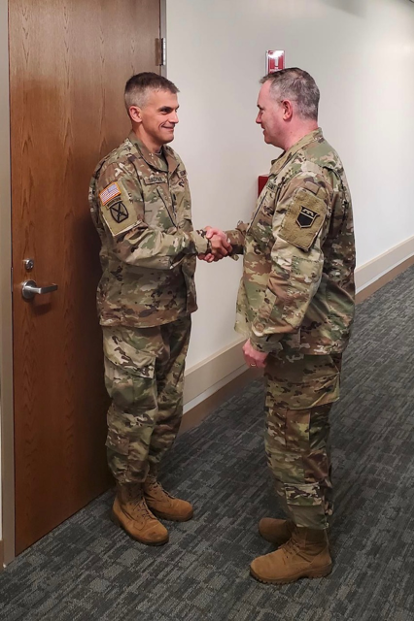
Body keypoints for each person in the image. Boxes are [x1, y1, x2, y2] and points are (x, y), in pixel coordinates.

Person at [205, 68, 355, 583]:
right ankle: (301, 522)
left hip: (305, 339)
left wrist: (262, 337)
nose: (256, 116)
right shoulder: (300, 164)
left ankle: (311, 547)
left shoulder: (309, 173)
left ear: (287, 110)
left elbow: (295, 273)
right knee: (295, 435)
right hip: (304, 335)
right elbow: (275, 236)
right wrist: (231, 238)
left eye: (261, 107)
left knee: (297, 442)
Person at [89, 72, 230, 546]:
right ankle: (126, 498)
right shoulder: (116, 172)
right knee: (134, 410)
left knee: (168, 407)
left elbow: (175, 233)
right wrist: (194, 242)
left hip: (173, 308)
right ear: (137, 113)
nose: (174, 118)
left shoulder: (173, 163)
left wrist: (199, 246)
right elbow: (131, 244)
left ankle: (149, 481)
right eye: (164, 110)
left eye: (176, 109)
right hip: (133, 317)